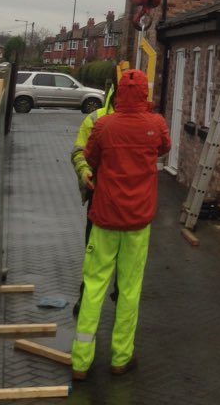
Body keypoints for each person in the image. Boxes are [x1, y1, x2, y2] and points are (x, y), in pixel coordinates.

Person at [71, 68, 171, 380]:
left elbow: (90, 157)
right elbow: (164, 148)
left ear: (116, 92)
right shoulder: (156, 124)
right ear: (144, 93)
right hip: (138, 221)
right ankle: (121, 357)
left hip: (105, 217)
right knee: (129, 289)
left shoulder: (103, 125)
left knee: (93, 286)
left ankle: (81, 362)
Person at [70, 69, 120, 316]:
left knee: (126, 261)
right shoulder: (96, 118)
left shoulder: (145, 121)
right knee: (94, 253)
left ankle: (119, 297)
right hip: (100, 197)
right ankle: (87, 299)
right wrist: (84, 171)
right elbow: (79, 150)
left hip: (128, 203)